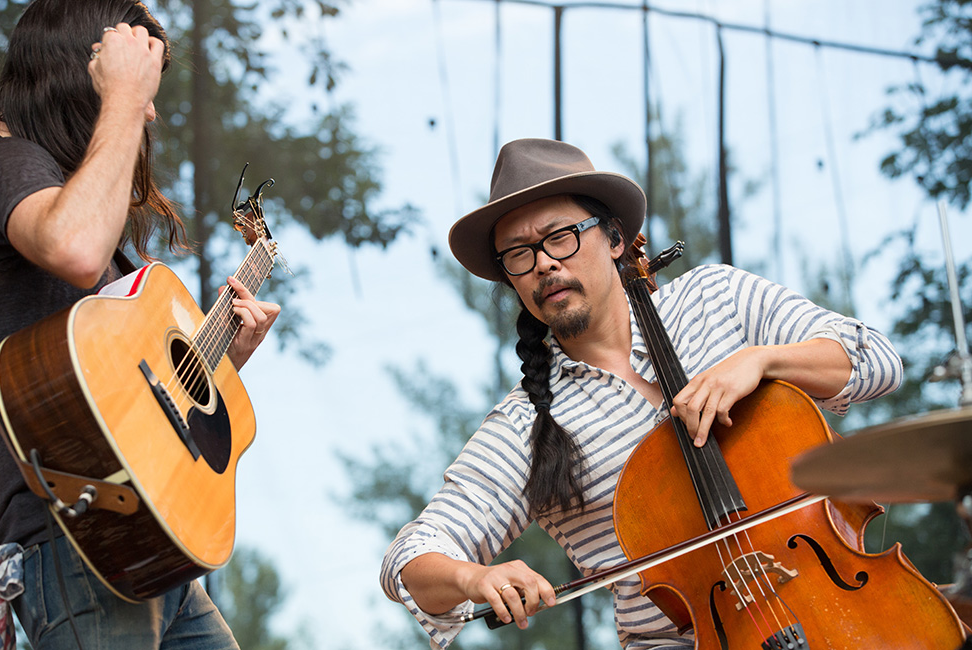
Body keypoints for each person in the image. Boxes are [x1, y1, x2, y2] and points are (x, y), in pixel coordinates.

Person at [379, 138, 903, 649]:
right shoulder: (525, 424)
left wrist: (761, 359)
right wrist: (473, 578)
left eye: (560, 236)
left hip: (840, 610)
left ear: (613, 239)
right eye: (518, 254)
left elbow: (875, 359)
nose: (543, 263)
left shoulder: (716, 299)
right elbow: (410, 556)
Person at [0, 1, 279, 648]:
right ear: (85, 76)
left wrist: (219, 364)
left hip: (147, 539)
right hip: (76, 538)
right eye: (142, 90)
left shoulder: (74, 201)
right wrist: (123, 94)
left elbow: (132, 397)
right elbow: (74, 249)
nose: (151, 113)